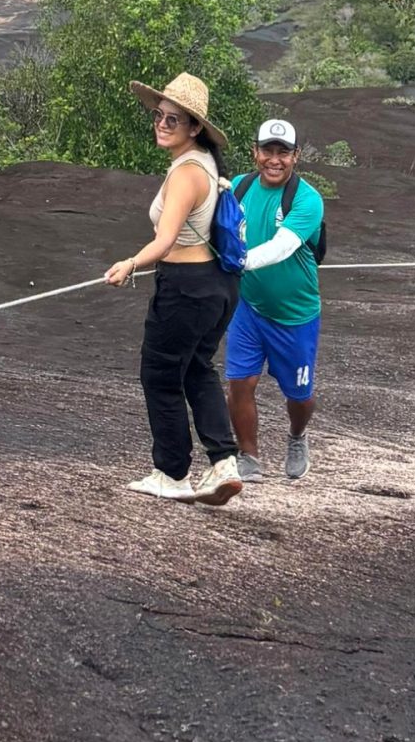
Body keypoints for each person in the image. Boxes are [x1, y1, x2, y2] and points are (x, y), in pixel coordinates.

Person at [104, 71, 243, 505]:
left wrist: (130, 263)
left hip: (186, 289)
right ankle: (223, 462)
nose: (162, 125)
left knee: (161, 377)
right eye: (159, 117)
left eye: (173, 120)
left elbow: (165, 240)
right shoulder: (207, 163)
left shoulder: (186, 172)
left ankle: (172, 473)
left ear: (195, 127)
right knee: (197, 369)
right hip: (217, 287)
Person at [224, 116, 325, 482]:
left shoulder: (308, 199)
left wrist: (239, 262)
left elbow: (284, 247)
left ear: (296, 156)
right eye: (268, 150)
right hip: (248, 306)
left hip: (295, 313)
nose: (275, 159)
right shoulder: (237, 187)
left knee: (299, 395)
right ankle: (248, 456)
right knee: (240, 382)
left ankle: (297, 436)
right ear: (255, 152)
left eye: (283, 152)